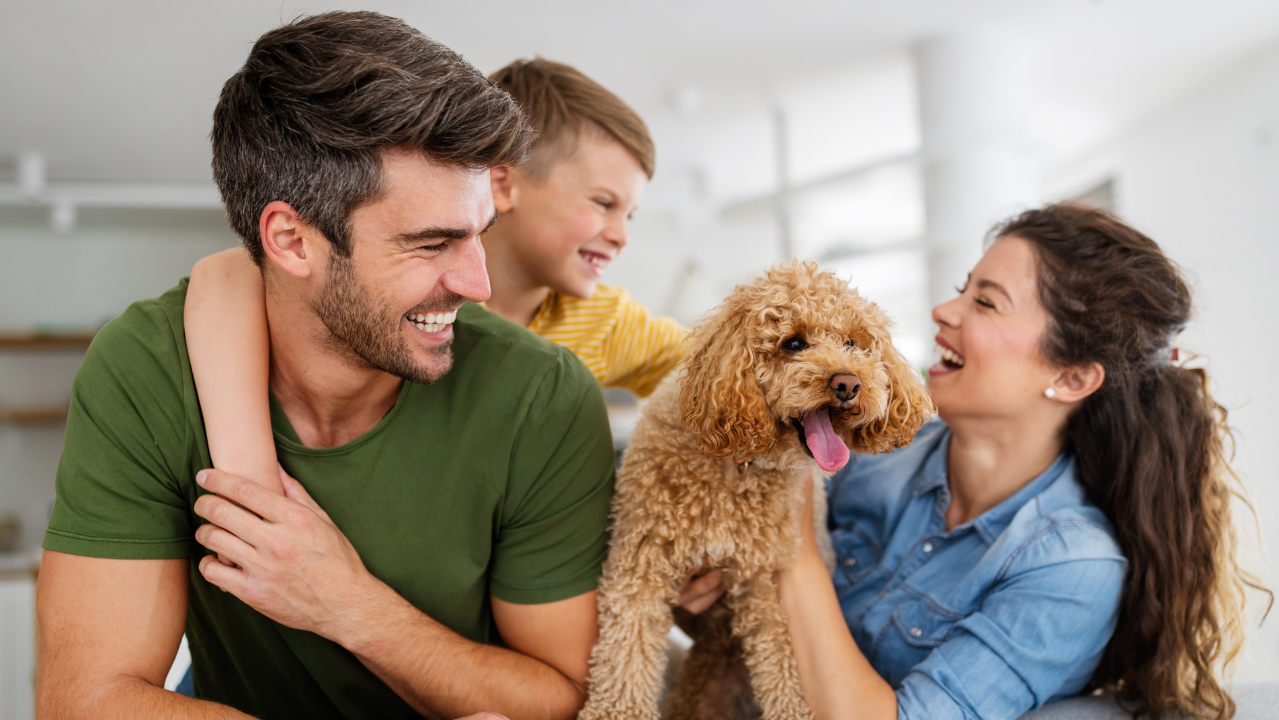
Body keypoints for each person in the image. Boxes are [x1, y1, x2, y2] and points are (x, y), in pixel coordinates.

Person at [36, 12, 617, 720]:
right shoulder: (150, 369)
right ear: (291, 240)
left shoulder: (542, 398)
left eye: (477, 237)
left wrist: (351, 607)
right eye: (431, 243)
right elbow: (86, 702)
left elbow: (561, 697)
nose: (478, 284)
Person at [681, 203, 1268, 720]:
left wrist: (792, 546)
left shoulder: (1073, 570)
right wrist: (704, 595)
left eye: (984, 302)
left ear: (1072, 377)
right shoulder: (872, 456)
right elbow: (754, 632)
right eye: (963, 288)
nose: (943, 309)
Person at [186, 57, 689, 496]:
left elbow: (725, 370)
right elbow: (227, 275)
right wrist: (250, 475)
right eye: (604, 203)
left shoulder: (607, 322)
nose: (621, 235)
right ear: (501, 184)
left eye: (631, 215)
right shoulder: (408, 300)